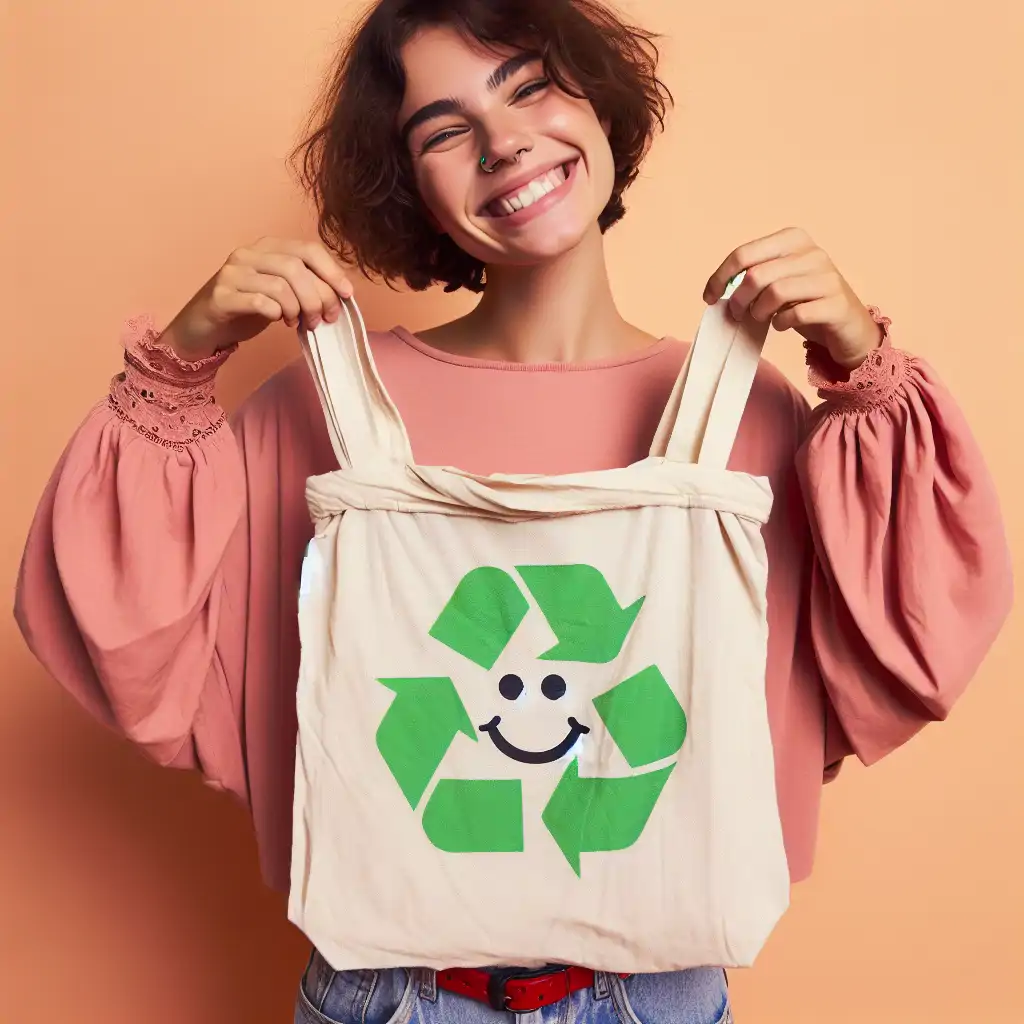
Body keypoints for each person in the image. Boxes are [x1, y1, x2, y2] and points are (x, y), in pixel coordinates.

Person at [14, 0, 1013, 1021]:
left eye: (528, 85)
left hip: (654, 997)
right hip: (388, 996)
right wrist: (177, 369)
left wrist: (862, 370)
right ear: (408, 182)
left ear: (596, 100)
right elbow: (121, 631)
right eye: (443, 131)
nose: (504, 143)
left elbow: (909, 634)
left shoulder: (749, 413)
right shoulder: (313, 411)